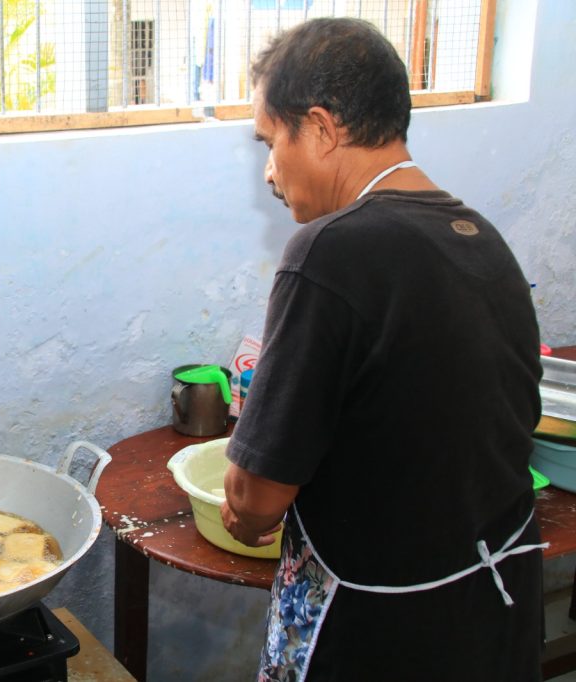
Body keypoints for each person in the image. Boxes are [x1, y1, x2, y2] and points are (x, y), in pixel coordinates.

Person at [220, 17, 545, 682]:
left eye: (270, 142)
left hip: (383, 637)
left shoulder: (330, 252)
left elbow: (258, 497)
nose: (271, 173)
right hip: (495, 616)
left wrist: (246, 509)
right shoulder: (478, 236)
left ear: (318, 127)